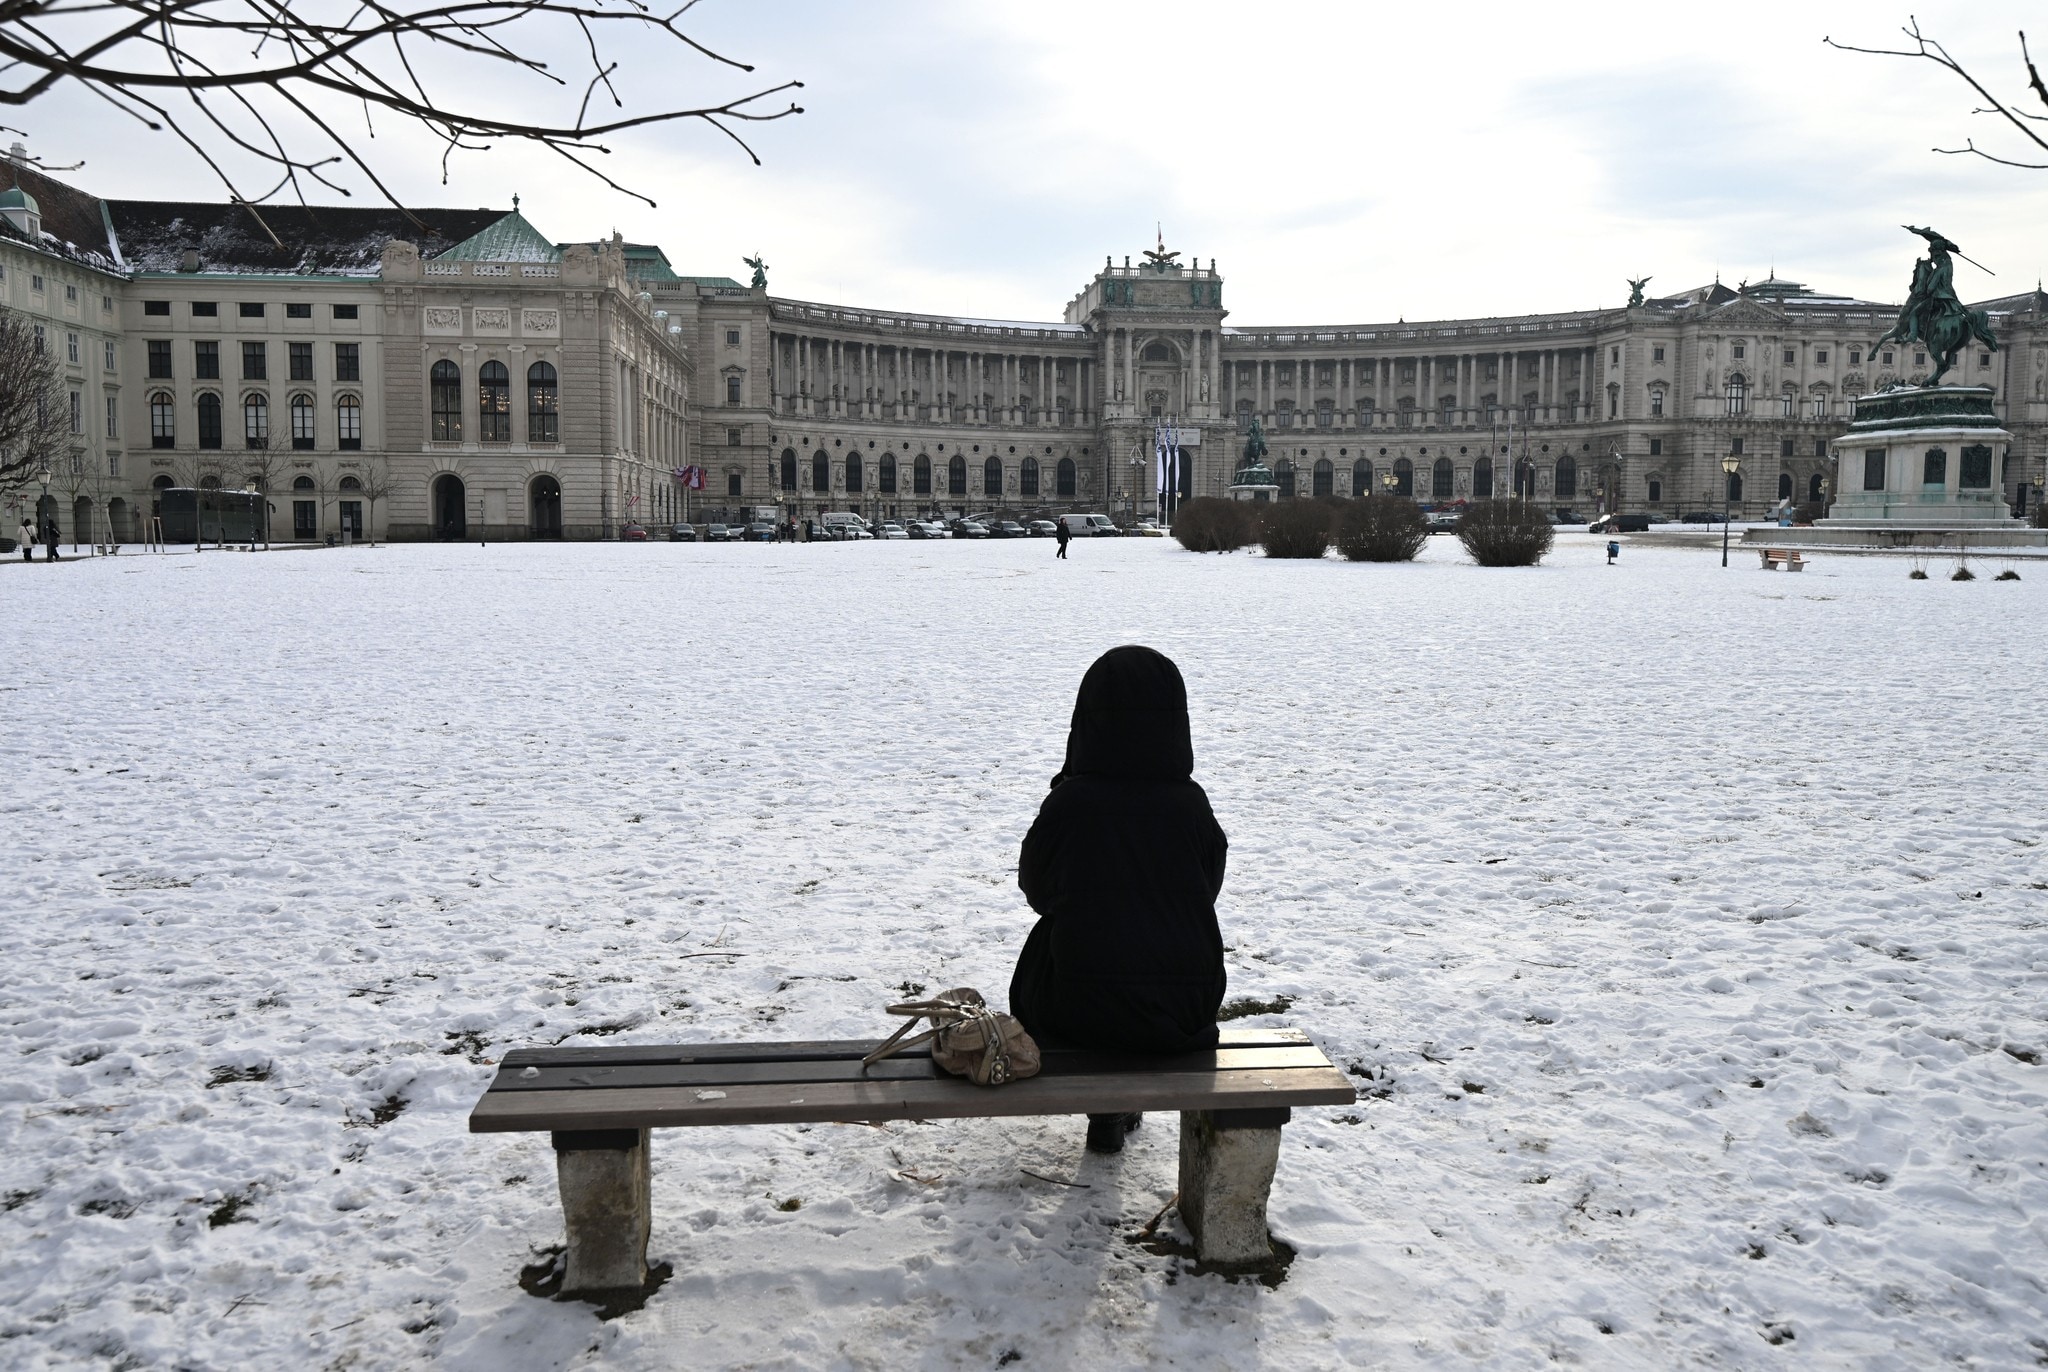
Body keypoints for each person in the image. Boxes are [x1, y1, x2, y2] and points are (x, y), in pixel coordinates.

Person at [1010, 645, 1229, 1155]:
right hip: (1182, 1012)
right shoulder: (1190, 805)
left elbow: (1037, 890)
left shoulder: (1070, 803)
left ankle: (1106, 1108)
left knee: (1058, 943)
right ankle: (1115, 1105)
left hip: (1075, 1010)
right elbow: (1207, 891)